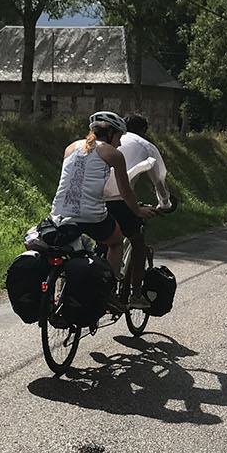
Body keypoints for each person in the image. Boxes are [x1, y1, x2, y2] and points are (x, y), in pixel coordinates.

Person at [50, 111, 157, 289]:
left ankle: (59, 294)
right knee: (116, 242)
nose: (120, 142)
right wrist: (138, 211)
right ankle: (109, 289)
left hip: (59, 213)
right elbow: (126, 191)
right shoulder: (112, 153)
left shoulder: (70, 148)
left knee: (66, 253)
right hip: (92, 217)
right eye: (119, 136)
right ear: (110, 133)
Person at [100, 111, 173, 308]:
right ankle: (136, 294)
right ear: (144, 131)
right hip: (120, 200)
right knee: (137, 242)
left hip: (94, 198)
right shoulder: (146, 146)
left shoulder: (103, 142)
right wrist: (164, 204)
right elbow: (159, 179)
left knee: (102, 236)